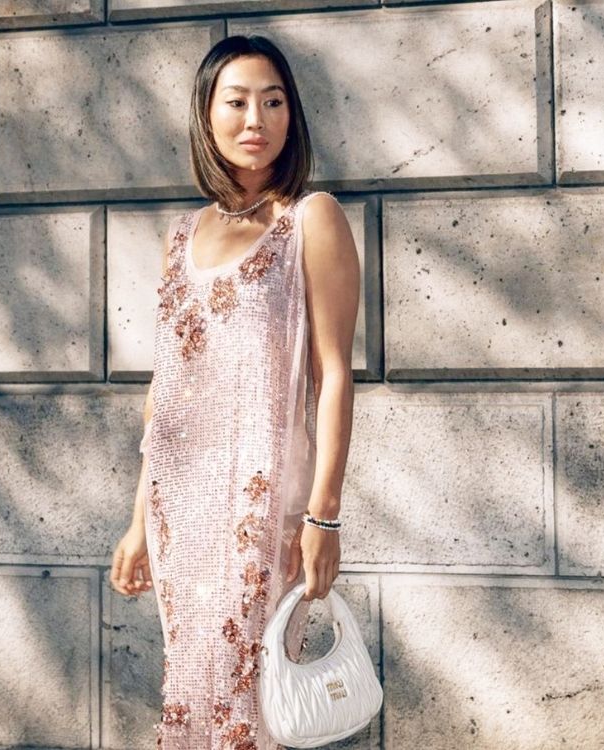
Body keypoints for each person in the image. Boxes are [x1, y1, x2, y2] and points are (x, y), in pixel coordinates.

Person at [109, 33, 360, 749]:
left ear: (293, 116)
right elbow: (168, 394)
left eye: (274, 101)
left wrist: (324, 518)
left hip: (263, 506)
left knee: (246, 701)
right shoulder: (181, 235)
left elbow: (333, 375)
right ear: (207, 114)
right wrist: (137, 521)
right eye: (238, 101)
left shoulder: (311, 219)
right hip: (179, 507)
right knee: (192, 690)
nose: (257, 119)